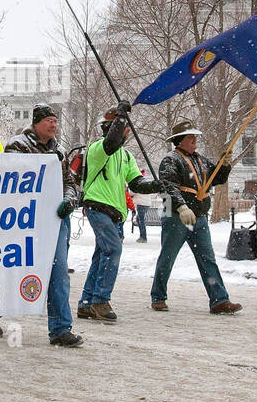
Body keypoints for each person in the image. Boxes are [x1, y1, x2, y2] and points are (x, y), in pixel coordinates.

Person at [76, 101, 166, 323]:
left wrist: (156, 185)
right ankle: (100, 300)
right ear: (110, 128)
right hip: (97, 205)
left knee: (101, 255)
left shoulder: (126, 157)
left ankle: (86, 303)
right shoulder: (98, 149)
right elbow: (112, 142)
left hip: (116, 212)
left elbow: (137, 184)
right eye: (121, 127)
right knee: (113, 250)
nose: (126, 131)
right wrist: (122, 116)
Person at [5, 103, 84, 347]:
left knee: (59, 271)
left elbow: (69, 182)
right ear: (37, 123)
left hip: (54, 220)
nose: (54, 125)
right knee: (12, 268)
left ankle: (61, 329)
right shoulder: (17, 145)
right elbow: (12, 177)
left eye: (56, 121)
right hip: (24, 221)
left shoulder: (59, 151)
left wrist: (69, 200)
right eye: (49, 120)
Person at [151, 121, 243, 315]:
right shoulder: (171, 160)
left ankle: (219, 300)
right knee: (168, 257)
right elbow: (168, 186)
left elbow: (217, 178)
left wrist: (224, 165)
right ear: (179, 141)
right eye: (189, 137)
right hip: (177, 217)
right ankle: (158, 297)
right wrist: (182, 206)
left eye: (194, 136)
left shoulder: (200, 160)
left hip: (199, 217)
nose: (194, 140)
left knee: (207, 259)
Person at [132, 177, 158, 243]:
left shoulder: (138, 186)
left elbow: (131, 193)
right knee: (139, 220)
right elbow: (153, 195)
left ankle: (143, 237)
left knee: (141, 221)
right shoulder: (146, 185)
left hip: (141, 204)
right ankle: (142, 236)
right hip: (146, 204)